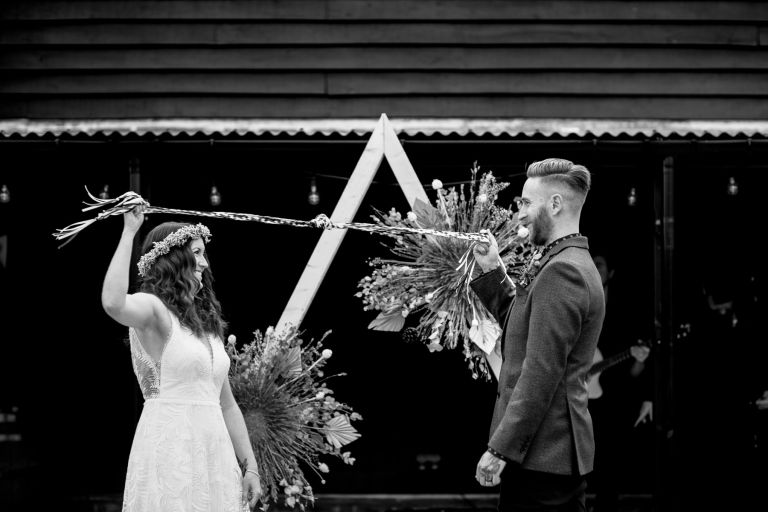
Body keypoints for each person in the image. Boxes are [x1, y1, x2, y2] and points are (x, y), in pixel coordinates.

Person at [101, 205, 261, 511]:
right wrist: (129, 230)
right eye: (197, 253)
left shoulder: (207, 322)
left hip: (213, 449)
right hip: (172, 445)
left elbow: (226, 404)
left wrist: (250, 466)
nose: (204, 262)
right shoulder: (153, 309)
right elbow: (112, 302)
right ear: (174, 258)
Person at [470, 158, 605, 511]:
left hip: (544, 457)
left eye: (526, 203)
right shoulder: (561, 260)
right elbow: (522, 323)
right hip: (540, 455)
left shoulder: (563, 271)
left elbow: (541, 372)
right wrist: (491, 269)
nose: (520, 214)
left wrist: (500, 448)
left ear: (556, 204)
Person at [586, 253, 652, 512]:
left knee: (609, 459)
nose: (593, 268)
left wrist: (640, 360)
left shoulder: (625, 314)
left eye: (600, 265)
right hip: (576, 394)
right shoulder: (577, 302)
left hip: (612, 398)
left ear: (610, 273)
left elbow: (633, 374)